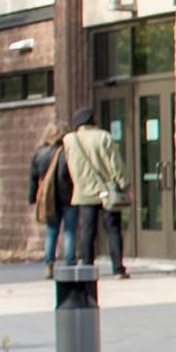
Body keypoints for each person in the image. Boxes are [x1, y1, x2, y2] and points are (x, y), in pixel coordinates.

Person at [62, 107, 131, 279]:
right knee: (113, 229)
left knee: (87, 230)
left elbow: (69, 165)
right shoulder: (103, 137)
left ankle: (87, 266)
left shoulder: (69, 140)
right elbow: (115, 164)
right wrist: (124, 184)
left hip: (84, 191)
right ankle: (117, 268)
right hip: (107, 190)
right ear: (92, 120)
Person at [27, 122, 69, 277]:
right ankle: (70, 262)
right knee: (69, 231)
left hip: (49, 199)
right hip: (68, 196)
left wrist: (33, 197)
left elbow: (33, 178)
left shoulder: (39, 153)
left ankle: (49, 263)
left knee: (51, 232)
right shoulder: (66, 152)